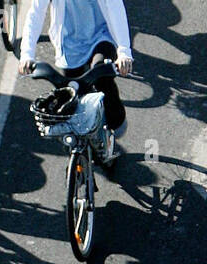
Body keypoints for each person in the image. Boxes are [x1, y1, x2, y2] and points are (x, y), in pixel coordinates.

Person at [19, 0, 134, 165]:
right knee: (72, 96)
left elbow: (114, 7)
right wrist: (27, 55)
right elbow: (36, 13)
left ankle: (115, 123)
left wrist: (124, 51)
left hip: (102, 36)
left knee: (101, 74)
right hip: (70, 45)